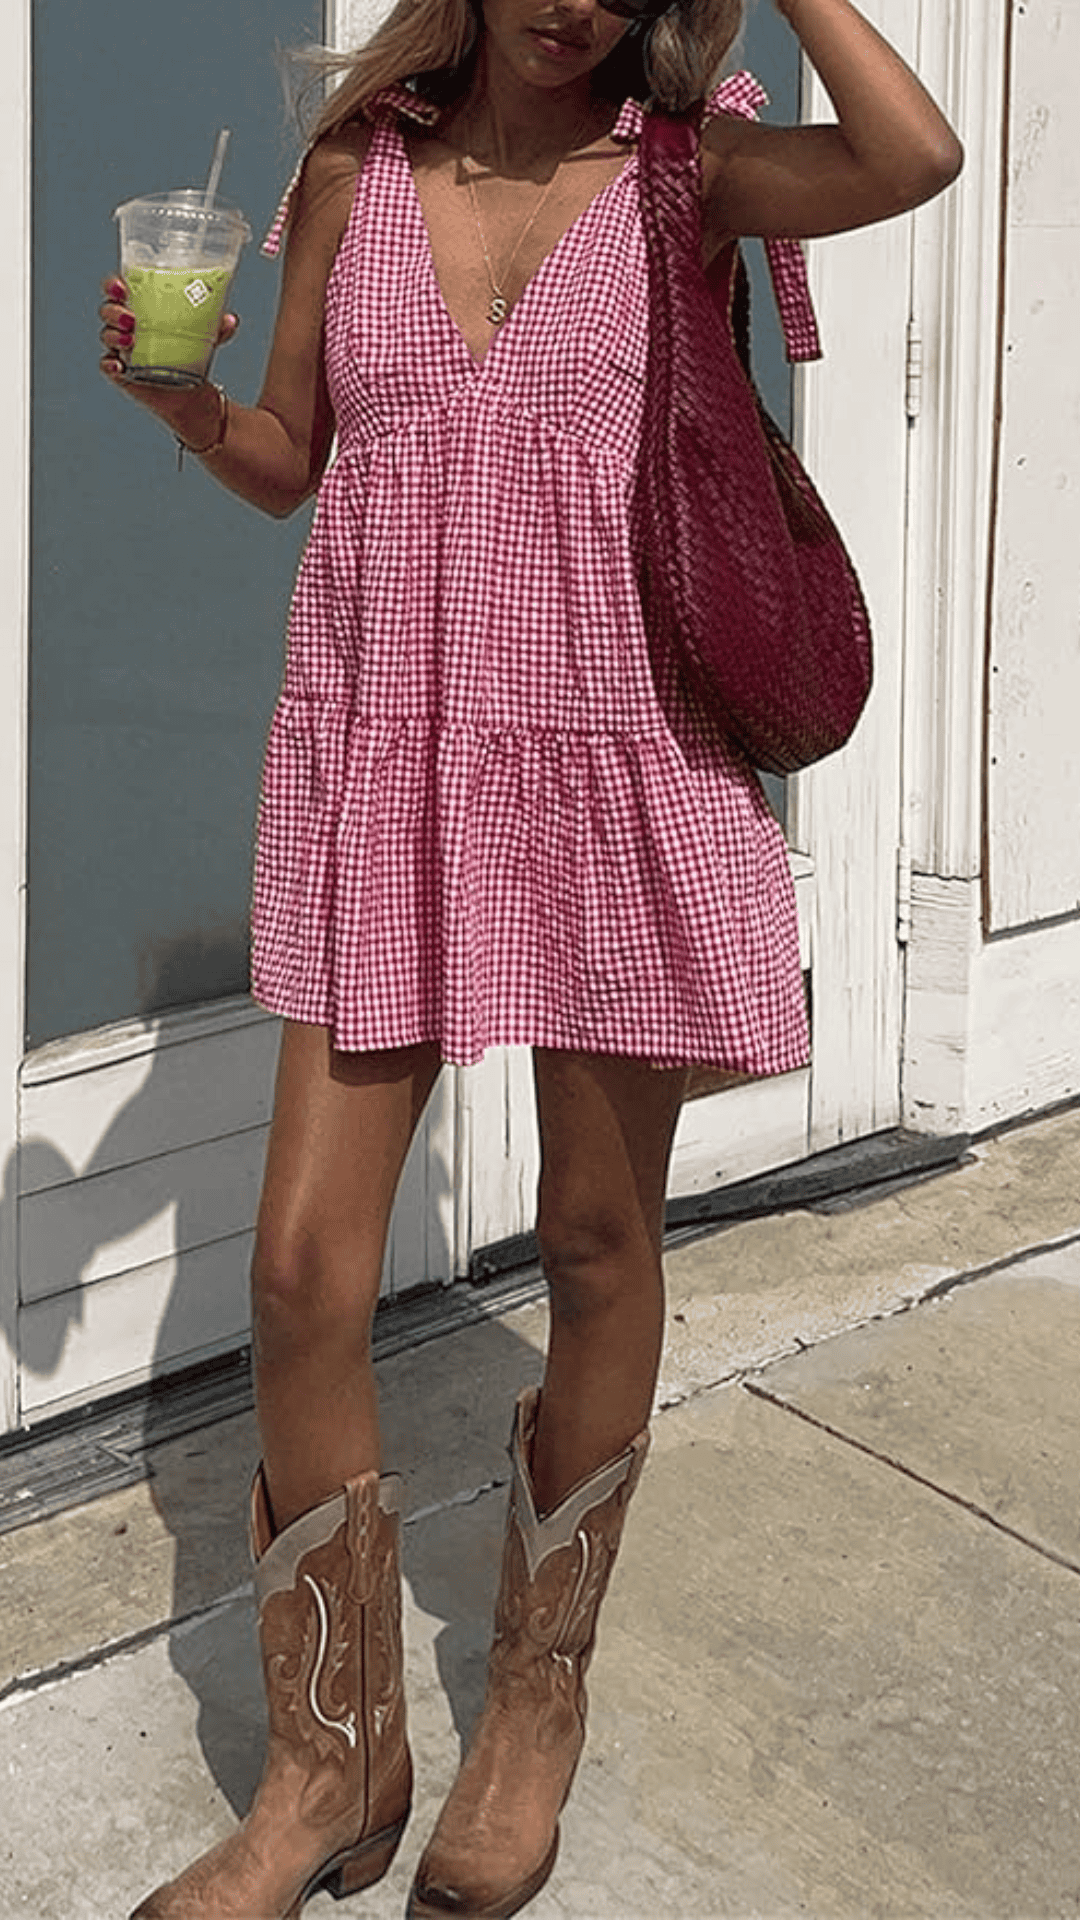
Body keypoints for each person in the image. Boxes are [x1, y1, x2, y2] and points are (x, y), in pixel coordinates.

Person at [101, 0, 960, 1913]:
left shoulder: (689, 177)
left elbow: (913, 158)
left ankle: (532, 1702)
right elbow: (288, 456)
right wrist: (184, 408)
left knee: (594, 1239)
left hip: (615, 747)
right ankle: (329, 1765)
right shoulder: (357, 165)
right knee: (306, 1269)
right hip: (385, 748)